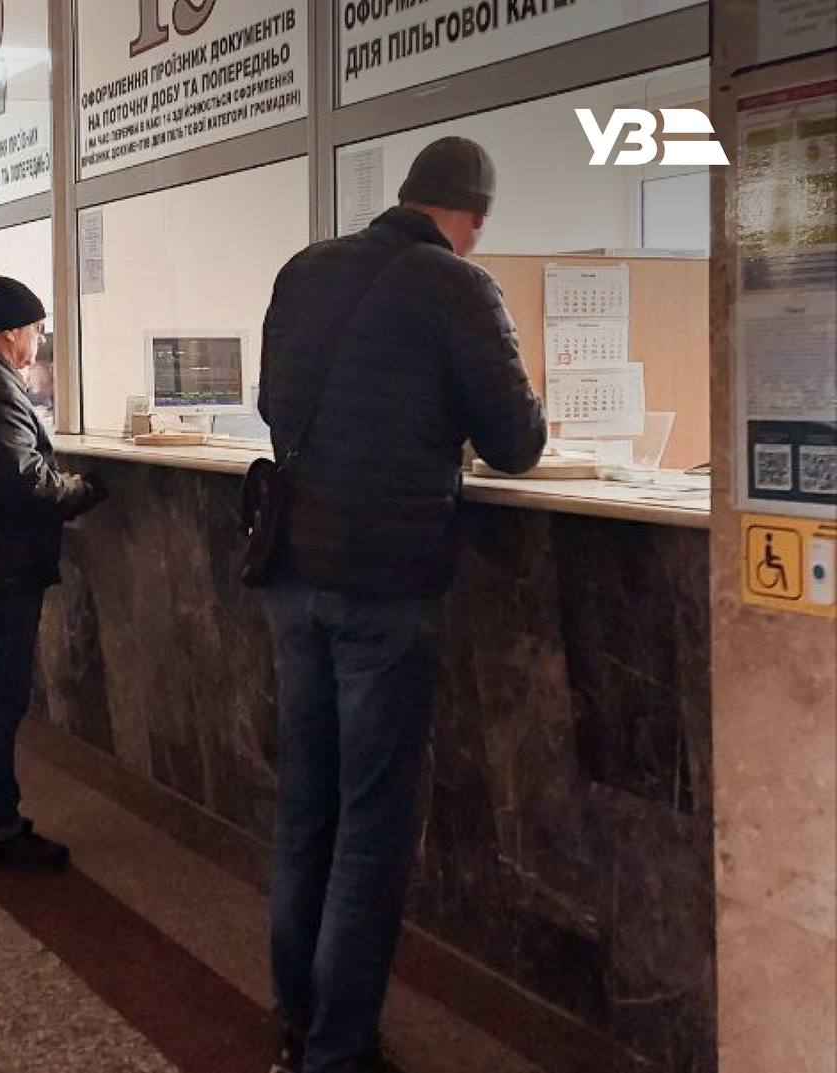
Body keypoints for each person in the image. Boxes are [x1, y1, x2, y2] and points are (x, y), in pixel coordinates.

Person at [257, 137, 547, 1073]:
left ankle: (298, 1018)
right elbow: (517, 440)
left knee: (306, 807)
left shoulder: (304, 269)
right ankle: (339, 1049)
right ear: (472, 218)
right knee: (371, 825)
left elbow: (271, 404)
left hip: (295, 571)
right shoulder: (460, 287)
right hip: (385, 582)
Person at [0, 277, 106, 871]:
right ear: (12, 332)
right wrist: (83, 491)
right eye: (37, 330)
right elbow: (26, 483)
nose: (39, 341)